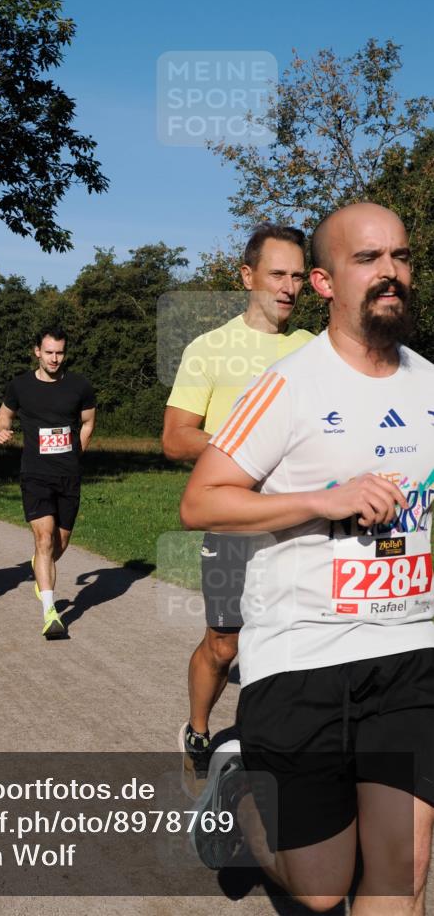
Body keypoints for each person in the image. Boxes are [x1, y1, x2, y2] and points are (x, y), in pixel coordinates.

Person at [182, 203, 433, 911]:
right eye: (367, 258)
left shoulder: (429, 384)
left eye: (400, 256)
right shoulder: (288, 385)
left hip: (412, 648)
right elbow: (202, 501)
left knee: (403, 871)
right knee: (323, 890)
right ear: (323, 282)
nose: (390, 272)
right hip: (304, 653)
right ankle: (239, 792)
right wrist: (324, 500)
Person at [162, 223, 313, 790]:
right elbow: (176, 436)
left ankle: (273, 752)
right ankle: (199, 732)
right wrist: (248, 450)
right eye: (277, 274)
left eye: (298, 276)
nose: (289, 287)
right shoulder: (210, 348)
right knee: (225, 644)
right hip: (232, 519)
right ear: (247, 276)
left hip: (299, 521)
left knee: (296, 642)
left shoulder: (315, 349)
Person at [0, 327, 96, 638]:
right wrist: (2, 430)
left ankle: (40, 566)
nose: (54, 358)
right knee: (44, 539)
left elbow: (88, 422)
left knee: (59, 544)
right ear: (37, 351)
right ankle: (50, 614)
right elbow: (4, 414)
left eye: (59, 353)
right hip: (35, 473)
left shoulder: (79, 386)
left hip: (68, 475)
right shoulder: (20, 385)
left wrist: (77, 454)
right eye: (49, 352)